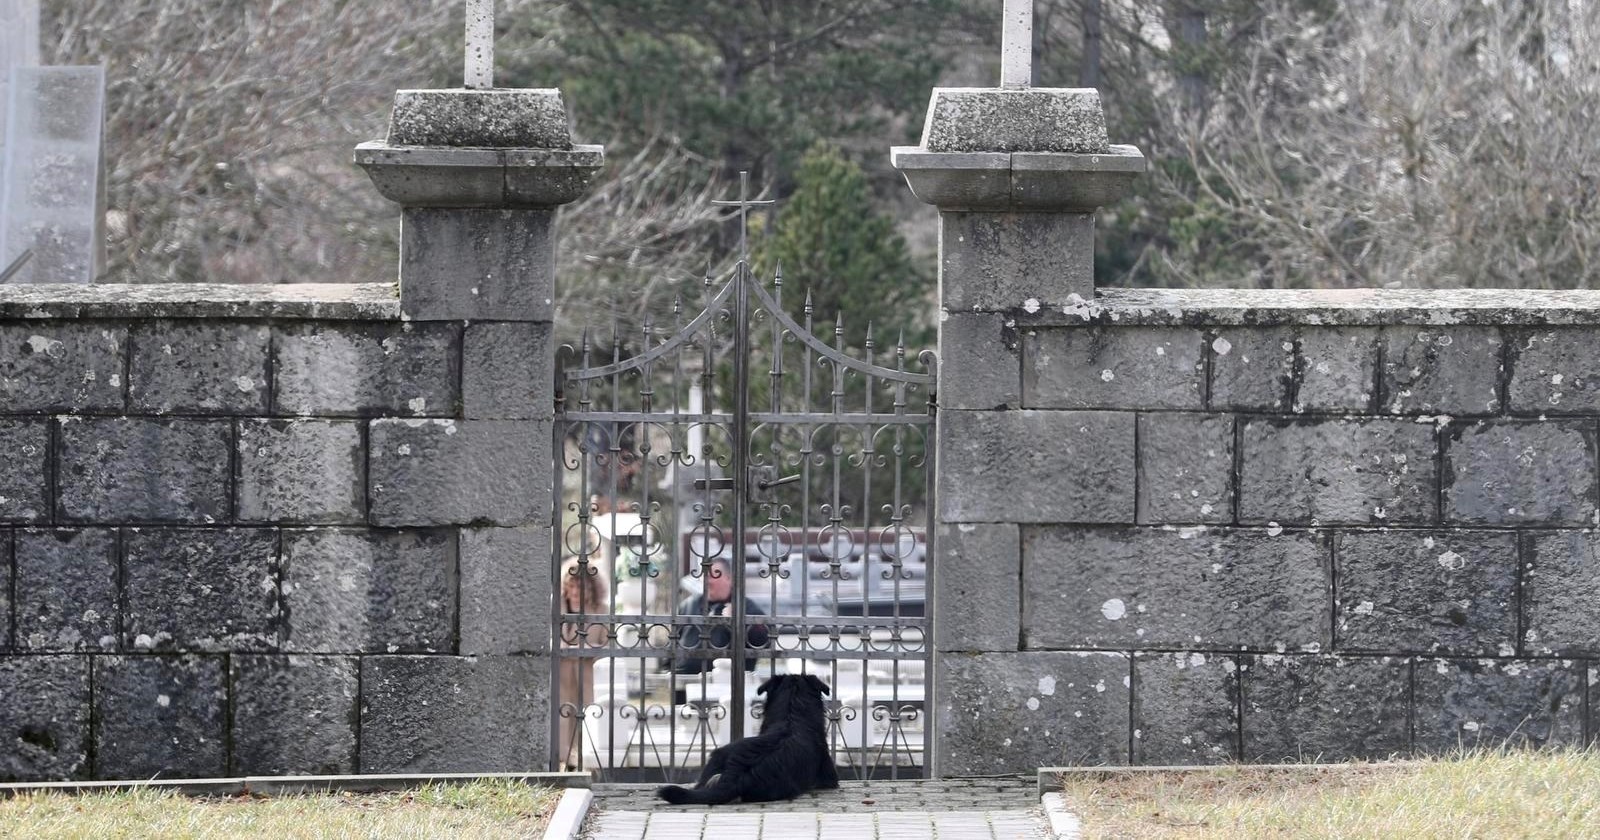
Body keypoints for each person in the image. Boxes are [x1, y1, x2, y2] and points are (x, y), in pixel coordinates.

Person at [673, 556, 770, 677]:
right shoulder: (689, 604)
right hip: (684, 680)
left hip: (727, 682)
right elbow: (674, 639)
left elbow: (765, 640)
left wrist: (739, 622)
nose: (707, 581)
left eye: (714, 575)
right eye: (705, 575)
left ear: (729, 578)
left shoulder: (745, 606)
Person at [557, 556, 610, 771]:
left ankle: (585, 764)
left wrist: (591, 650)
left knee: (587, 722)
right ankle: (563, 763)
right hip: (561, 679)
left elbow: (609, 647)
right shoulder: (556, 607)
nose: (576, 593)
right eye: (572, 587)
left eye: (582, 588)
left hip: (588, 678)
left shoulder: (602, 611)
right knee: (561, 722)